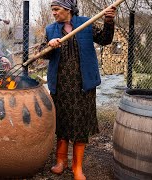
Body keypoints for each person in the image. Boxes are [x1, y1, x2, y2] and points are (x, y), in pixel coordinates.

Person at [44, 0, 116, 179]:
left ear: (67, 9)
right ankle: (61, 162)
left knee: (80, 125)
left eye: (56, 9)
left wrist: (108, 21)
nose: (53, 13)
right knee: (62, 123)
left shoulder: (85, 24)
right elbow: (43, 54)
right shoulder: (50, 30)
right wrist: (49, 45)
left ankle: (77, 167)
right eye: (52, 10)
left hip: (83, 85)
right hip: (61, 85)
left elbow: (105, 40)